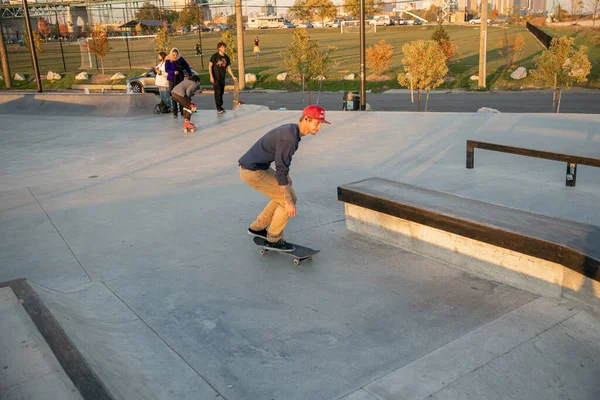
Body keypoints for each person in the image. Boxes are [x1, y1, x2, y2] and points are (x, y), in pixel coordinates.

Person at [238, 105, 330, 251]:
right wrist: (288, 202)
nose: (319, 127)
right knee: (289, 199)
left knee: (284, 195)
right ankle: (274, 239)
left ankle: (257, 228)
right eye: (316, 123)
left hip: (257, 167)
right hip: (253, 172)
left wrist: (286, 175)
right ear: (306, 119)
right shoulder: (290, 138)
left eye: (320, 124)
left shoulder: (292, 131)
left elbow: (281, 160)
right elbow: (281, 168)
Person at [209, 42, 237, 114]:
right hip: (216, 77)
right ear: (218, 48)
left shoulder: (226, 57)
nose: (223, 49)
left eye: (224, 47)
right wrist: (211, 76)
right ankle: (218, 108)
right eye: (222, 47)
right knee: (217, 93)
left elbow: (228, 67)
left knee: (221, 92)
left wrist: (233, 76)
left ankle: (220, 106)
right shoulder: (214, 56)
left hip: (222, 77)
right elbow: (210, 66)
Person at [165, 48, 192, 117]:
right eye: (173, 55)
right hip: (172, 78)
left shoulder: (180, 58)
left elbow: (186, 66)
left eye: (176, 55)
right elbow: (166, 69)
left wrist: (190, 73)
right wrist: (173, 72)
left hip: (180, 77)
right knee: (173, 94)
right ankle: (175, 111)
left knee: (181, 94)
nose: (175, 56)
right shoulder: (168, 59)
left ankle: (182, 110)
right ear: (171, 54)